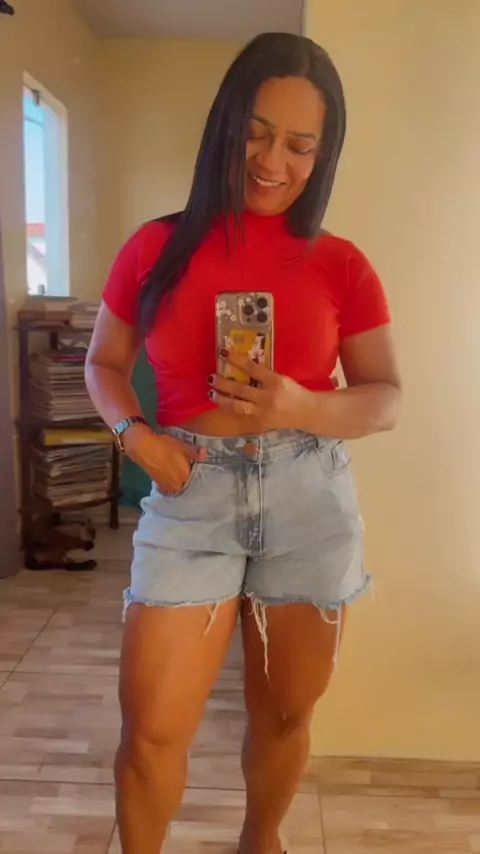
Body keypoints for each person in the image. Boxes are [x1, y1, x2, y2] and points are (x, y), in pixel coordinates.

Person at [85, 32, 401, 854]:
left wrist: (302, 404)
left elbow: (385, 399)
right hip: (187, 486)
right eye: (256, 133)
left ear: (323, 155)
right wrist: (135, 437)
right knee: (150, 731)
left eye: (300, 145)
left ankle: (262, 843)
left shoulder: (342, 263)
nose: (272, 161)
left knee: (287, 713)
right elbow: (103, 364)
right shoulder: (154, 247)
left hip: (307, 495)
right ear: (225, 124)